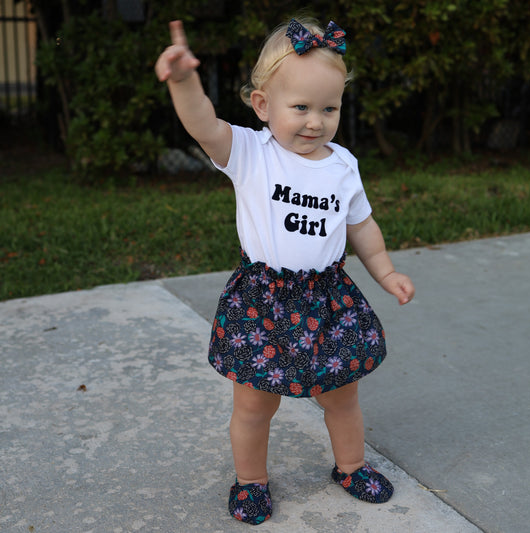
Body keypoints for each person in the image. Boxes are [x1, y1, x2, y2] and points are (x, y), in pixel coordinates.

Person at [155, 17, 415, 526]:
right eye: (300, 107)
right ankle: (251, 483)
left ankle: (351, 466)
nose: (315, 121)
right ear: (261, 105)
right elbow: (202, 124)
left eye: (329, 108)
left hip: (328, 299)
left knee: (341, 396)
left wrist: (385, 272)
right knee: (255, 406)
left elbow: (361, 226)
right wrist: (184, 81)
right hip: (263, 300)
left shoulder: (342, 164)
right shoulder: (251, 153)